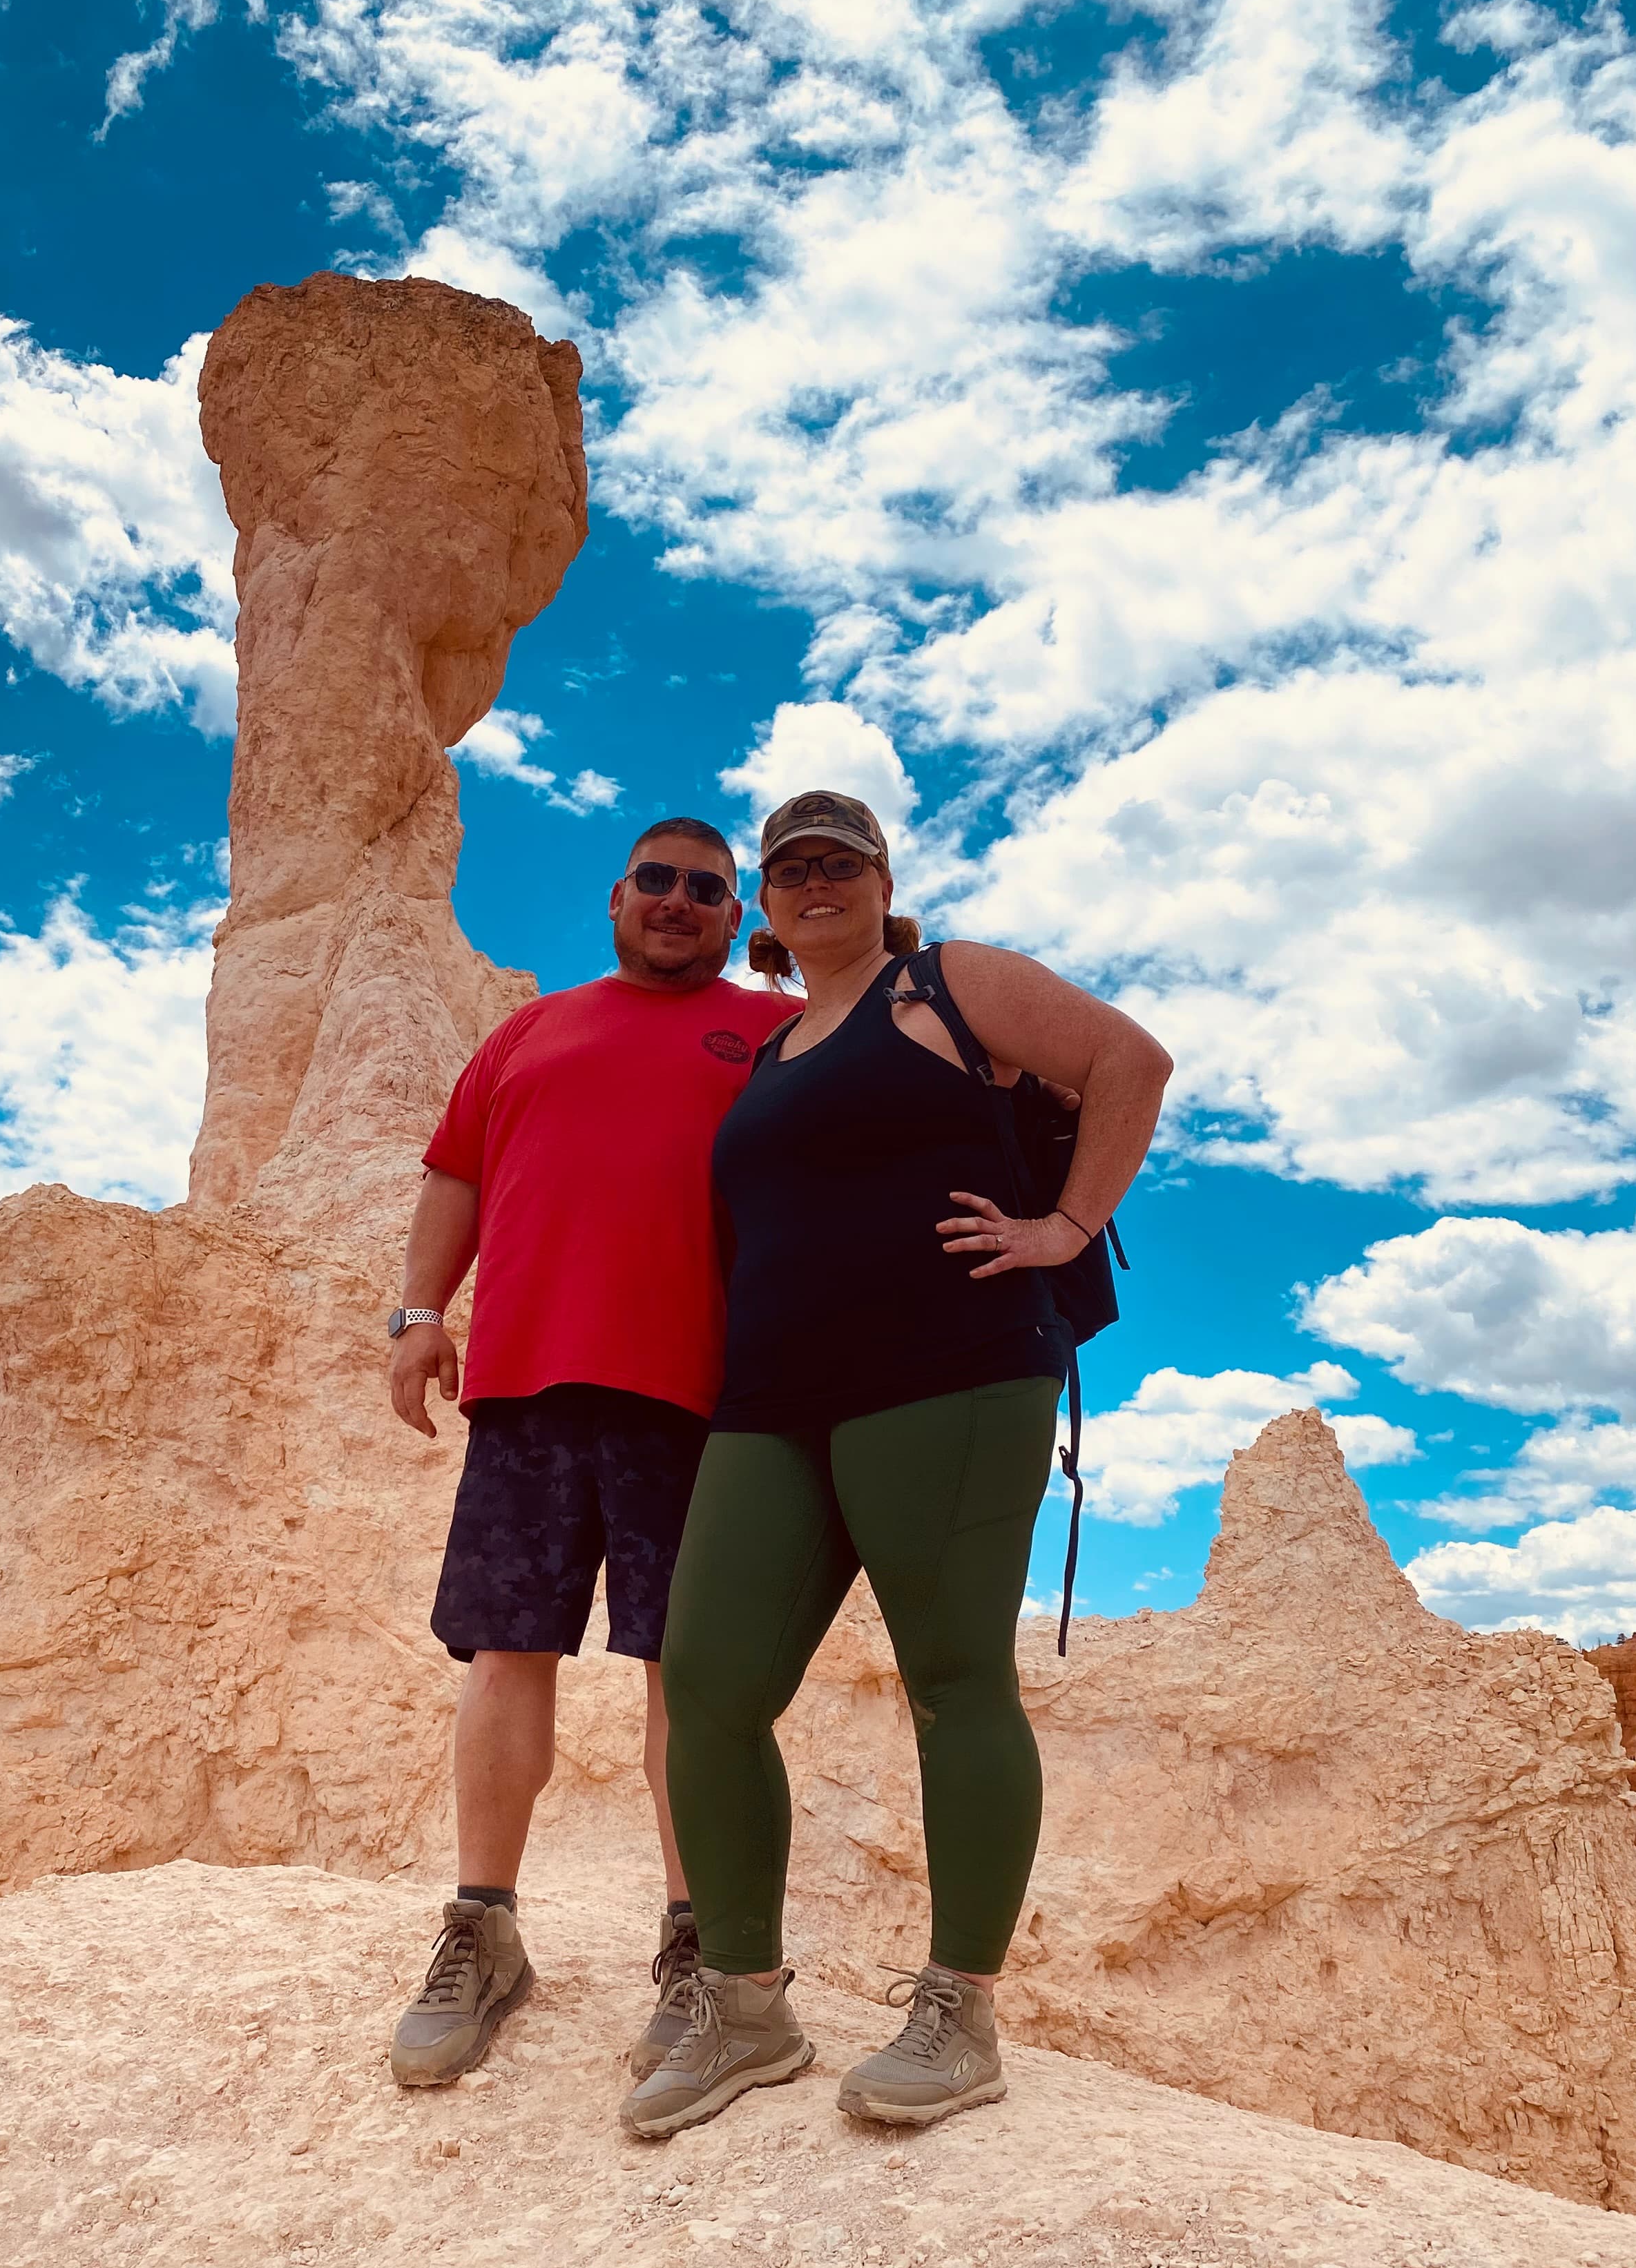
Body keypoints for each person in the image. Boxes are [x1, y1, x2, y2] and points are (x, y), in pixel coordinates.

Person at [620, 788, 1173, 2140]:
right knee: (707, 1681)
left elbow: (1132, 1064)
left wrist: (1063, 1225)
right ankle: (745, 2009)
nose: (816, 883)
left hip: (956, 1372)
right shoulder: (774, 1051)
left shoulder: (947, 984)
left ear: (879, 881)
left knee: (952, 1678)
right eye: (792, 868)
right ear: (767, 899)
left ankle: (958, 2014)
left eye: (839, 864)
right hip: (776, 1401)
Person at [386, 816, 793, 2088]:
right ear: (616, 897)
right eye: (658, 882)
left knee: (693, 1671)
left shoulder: (774, 1039)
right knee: (508, 1653)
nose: (679, 902)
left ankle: (698, 1945)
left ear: (738, 918)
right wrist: (416, 1314)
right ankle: (484, 1929)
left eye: (707, 891)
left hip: (702, 1398)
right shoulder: (526, 1033)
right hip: (525, 1385)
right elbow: (456, 1173)